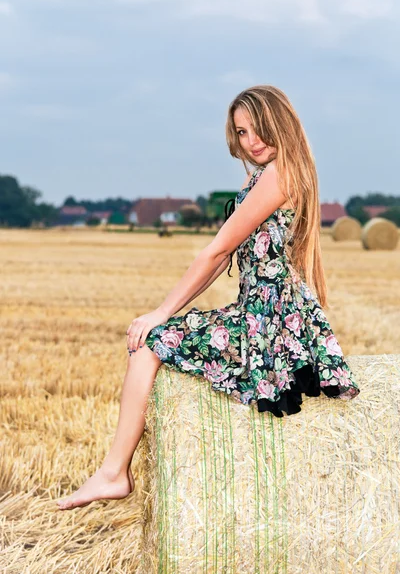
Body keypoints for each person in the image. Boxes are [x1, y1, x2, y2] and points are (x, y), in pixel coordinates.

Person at [57, 85, 360, 510]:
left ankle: (113, 473)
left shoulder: (278, 175)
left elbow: (217, 250)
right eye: (241, 133)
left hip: (269, 319)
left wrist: (161, 312)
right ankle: (113, 472)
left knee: (149, 345)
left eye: (259, 130)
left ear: (281, 125)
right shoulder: (269, 174)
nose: (251, 141)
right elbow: (224, 257)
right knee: (157, 340)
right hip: (267, 312)